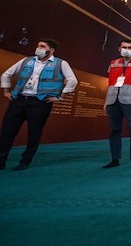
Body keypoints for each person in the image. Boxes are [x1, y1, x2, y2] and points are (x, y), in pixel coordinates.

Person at [0, 39, 77, 170]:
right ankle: (1, 160)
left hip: (40, 102)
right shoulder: (26, 60)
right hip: (18, 100)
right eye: (38, 46)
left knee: (34, 133)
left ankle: (25, 161)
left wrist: (60, 97)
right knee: (7, 131)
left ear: (51, 50)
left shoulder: (61, 63)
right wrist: (6, 91)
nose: (38, 48)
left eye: (42, 46)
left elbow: (72, 81)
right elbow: (6, 74)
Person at [102, 39, 131, 168]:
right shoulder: (113, 63)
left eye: (129, 47)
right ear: (119, 49)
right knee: (114, 130)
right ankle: (115, 158)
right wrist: (106, 101)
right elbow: (110, 83)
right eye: (124, 47)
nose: (126, 49)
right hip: (113, 99)